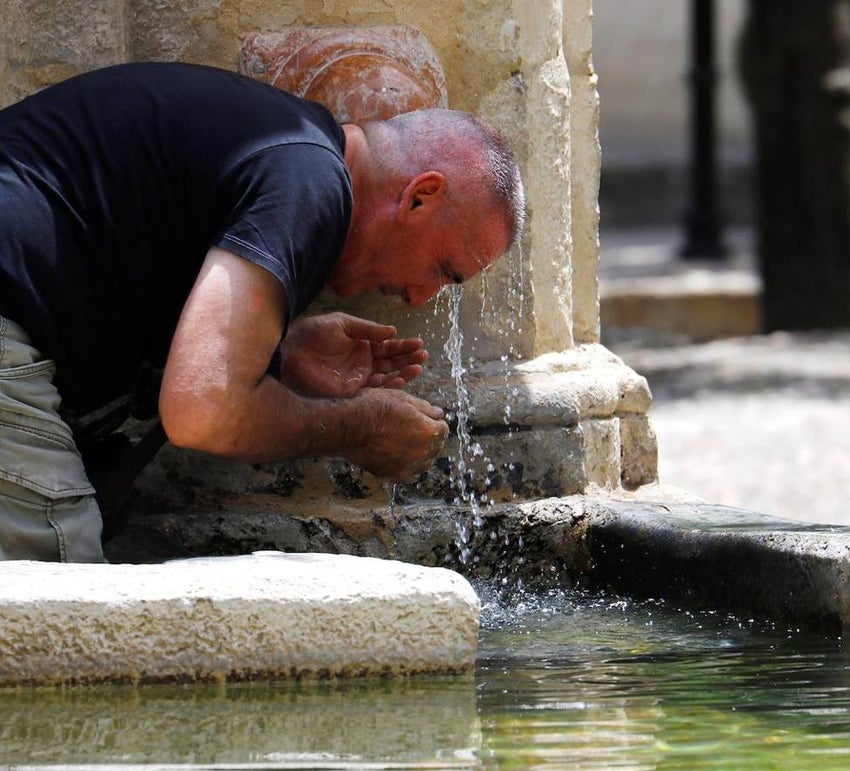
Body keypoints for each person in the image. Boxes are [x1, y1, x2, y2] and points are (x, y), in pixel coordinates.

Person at [0, 61, 525, 562]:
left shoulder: (287, 152)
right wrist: (355, 428)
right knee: (61, 608)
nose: (418, 297)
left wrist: (277, 350)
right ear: (420, 197)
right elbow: (202, 412)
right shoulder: (311, 178)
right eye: (442, 269)